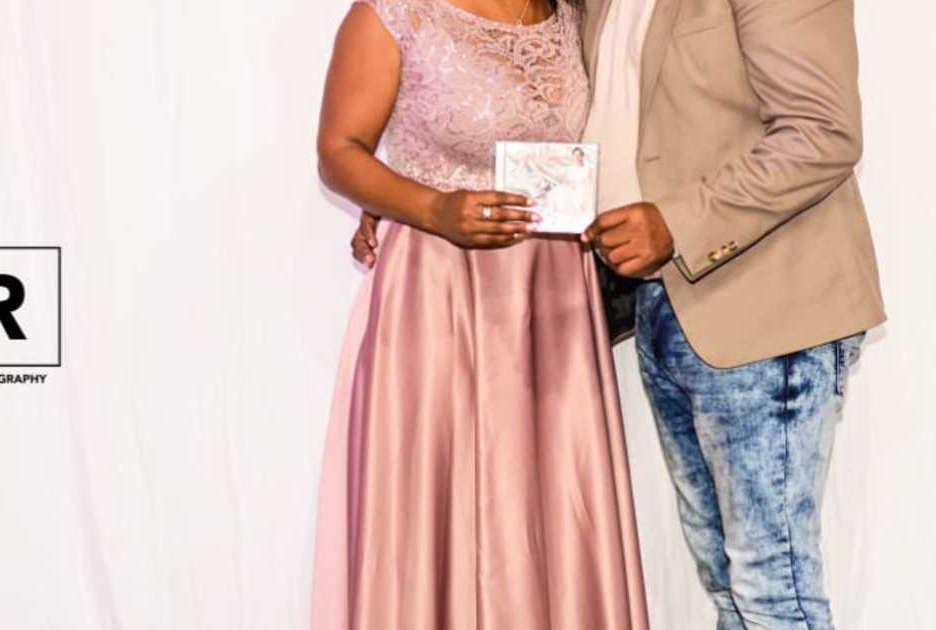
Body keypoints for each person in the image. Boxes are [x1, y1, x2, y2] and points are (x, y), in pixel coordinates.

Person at [354, 0, 885, 627]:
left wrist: (678, 224)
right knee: (730, 583)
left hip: (767, 308)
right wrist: (413, 194)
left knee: (772, 589)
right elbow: (539, 110)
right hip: (665, 304)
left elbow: (824, 131)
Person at [310, 0, 650, 628]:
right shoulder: (398, 13)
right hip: (439, 291)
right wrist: (430, 207)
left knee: (549, 497)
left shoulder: (572, 14)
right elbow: (339, 149)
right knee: (436, 492)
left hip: (553, 296)